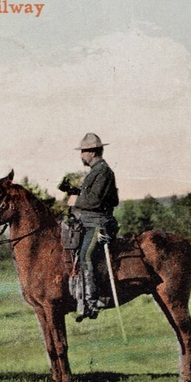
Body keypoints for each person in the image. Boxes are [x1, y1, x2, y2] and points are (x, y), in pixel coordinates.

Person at [60, 133, 119, 320]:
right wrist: (75, 191)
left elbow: (94, 201)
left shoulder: (103, 172)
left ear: (93, 152)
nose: (81, 155)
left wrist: (76, 200)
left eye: (83, 152)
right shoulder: (95, 171)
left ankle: (91, 303)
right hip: (88, 223)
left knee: (86, 256)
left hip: (99, 225)